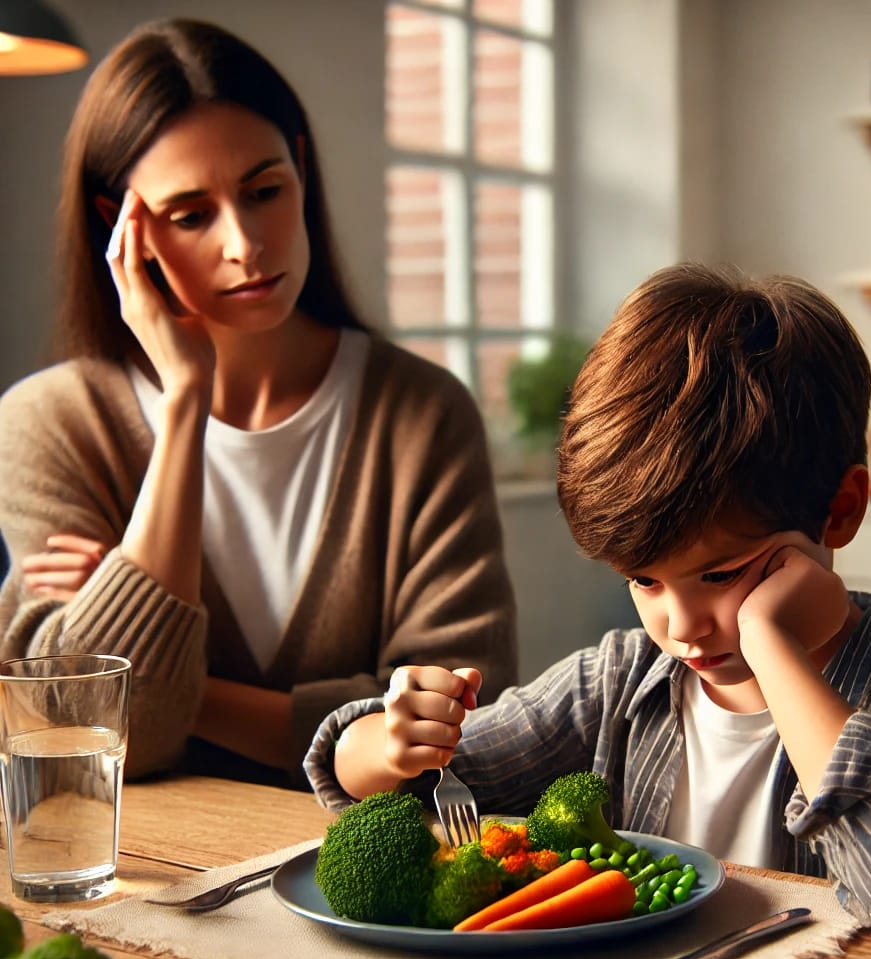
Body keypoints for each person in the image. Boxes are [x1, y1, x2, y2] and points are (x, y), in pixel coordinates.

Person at [304, 262, 871, 929]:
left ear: (839, 511)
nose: (683, 625)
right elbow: (385, 775)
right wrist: (395, 743)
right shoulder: (615, 685)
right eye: (644, 580)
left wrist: (774, 646)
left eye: (721, 575)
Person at [0, 18, 517, 788]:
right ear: (121, 227)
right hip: (150, 883)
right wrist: (184, 404)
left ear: (301, 169)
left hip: (363, 889)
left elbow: (467, 720)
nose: (244, 243)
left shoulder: (420, 414)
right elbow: (89, 743)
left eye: (264, 190)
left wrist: (163, 673)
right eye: (190, 214)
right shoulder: (50, 424)